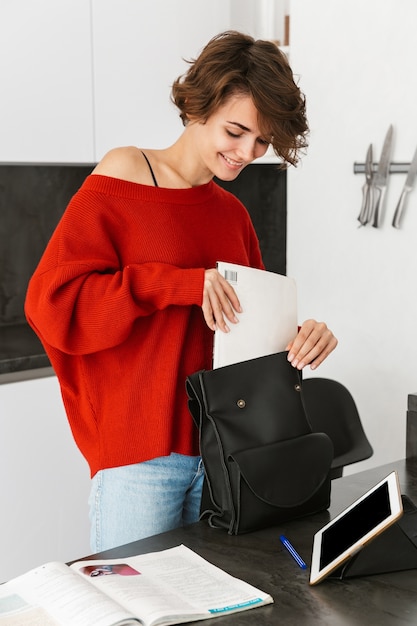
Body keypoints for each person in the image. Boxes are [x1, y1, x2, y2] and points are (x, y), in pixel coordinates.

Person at [25, 31, 337, 552]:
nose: (247, 153)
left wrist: (303, 338)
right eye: (236, 131)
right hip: (140, 458)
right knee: (134, 608)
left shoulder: (232, 214)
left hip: (220, 455)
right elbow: (54, 303)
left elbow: (249, 338)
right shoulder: (126, 171)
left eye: (261, 142)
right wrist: (175, 284)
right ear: (200, 105)